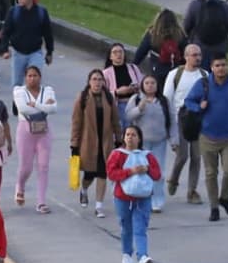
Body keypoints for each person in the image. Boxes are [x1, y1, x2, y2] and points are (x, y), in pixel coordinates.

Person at [184, 53, 228, 222]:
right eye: (217, 65)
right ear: (212, 68)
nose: (221, 68)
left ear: (227, 66)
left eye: (223, 65)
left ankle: (225, 198)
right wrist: (198, 106)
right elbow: (188, 101)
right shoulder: (203, 84)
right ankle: (214, 207)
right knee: (210, 173)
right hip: (207, 137)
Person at [107, 124, 162, 263]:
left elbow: (157, 175)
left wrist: (148, 169)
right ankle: (126, 254)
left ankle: (143, 257)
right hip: (123, 197)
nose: (130, 137)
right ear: (124, 138)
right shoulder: (117, 154)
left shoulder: (147, 156)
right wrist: (130, 171)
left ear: (139, 138)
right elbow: (112, 174)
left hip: (143, 197)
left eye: (133, 135)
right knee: (126, 227)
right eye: (128, 135)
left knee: (140, 228)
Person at [71, 69, 121, 219]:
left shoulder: (109, 97)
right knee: (89, 174)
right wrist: (74, 145)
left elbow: (115, 121)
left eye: (100, 79)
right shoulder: (83, 98)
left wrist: (118, 139)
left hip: (105, 142)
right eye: (94, 79)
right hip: (88, 142)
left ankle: (99, 205)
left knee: (103, 173)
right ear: (89, 82)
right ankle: (84, 189)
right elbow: (76, 122)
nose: (97, 82)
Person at [163, 44, 208, 204]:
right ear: (186, 56)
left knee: (196, 157)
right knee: (182, 156)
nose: (198, 58)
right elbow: (167, 98)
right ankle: (173, 179)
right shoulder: (175, 74)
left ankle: (192, 191)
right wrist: (169, 126)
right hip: (180, 120)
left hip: (198, 122)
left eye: (199, 55)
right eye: (194, 55)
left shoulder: (205, 75)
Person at [124, 75, 172, 212]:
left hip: (159, 141)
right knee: (141, 170)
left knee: (158, 172)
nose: (150, 85)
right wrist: (139, 109)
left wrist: (174, 139)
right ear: (142, 85)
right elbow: (128, 116)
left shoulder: (163, 101)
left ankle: (157, 200)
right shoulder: (136, 99)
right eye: (147, 83)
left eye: (153, 83)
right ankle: (142, 197)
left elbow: (172, 119)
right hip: (142, 143)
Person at [12, 66, 57, 214]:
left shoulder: (48, 90)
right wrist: (44, 107)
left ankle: (41, 201)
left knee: (43, 166)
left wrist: (37, 105)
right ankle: (20, 185)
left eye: (35, 75)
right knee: (26, 166)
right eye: (30, 76)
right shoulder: (19, 91)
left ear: (40, 77)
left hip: (44, 130)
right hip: (25, 129)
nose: (32, 78)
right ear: (25, 77)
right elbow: (24, 109)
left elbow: (54, 108)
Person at [1, 0, 54, 88]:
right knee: (17, 85)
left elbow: (48, 33)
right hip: (18, 53)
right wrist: (4, 49)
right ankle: (17, 104)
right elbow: (6, 32)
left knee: (34, 82)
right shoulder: (13, 12)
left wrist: (49, 52)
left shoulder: (41, 12)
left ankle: (33, 103)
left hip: (35, 52)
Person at [133, 8, 186, 90]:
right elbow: (185, 53)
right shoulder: (179, 34)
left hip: (158, 70)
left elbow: (140, 52)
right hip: (175, 71)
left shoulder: (153, 34)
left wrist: (133, 66)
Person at [103, 42, 143, 126]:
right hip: (118, 106)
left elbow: (143, 85)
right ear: (110, 56)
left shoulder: (133, 68)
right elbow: (102, 94)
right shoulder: (106, 73)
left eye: (121, 52)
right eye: (115, 52)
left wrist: (136, 88)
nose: (118, 54)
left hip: (134, 105)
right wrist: (117, 92)